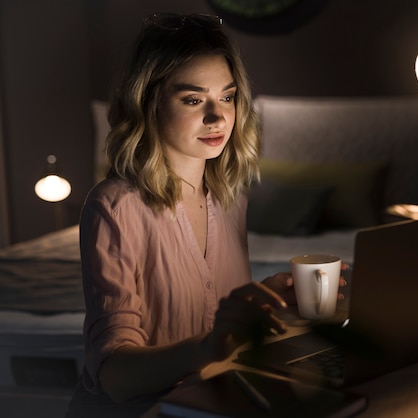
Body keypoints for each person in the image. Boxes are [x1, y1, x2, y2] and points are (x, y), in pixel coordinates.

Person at [66, 13, 345, 417]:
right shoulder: (114, 205)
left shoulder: (230, 197)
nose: (218, 117)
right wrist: (209, 345)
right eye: (194, 100)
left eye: (227, 97)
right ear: (149, 101)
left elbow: (219, 324)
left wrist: (265, 300)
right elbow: (115, 377)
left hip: (212, 403)